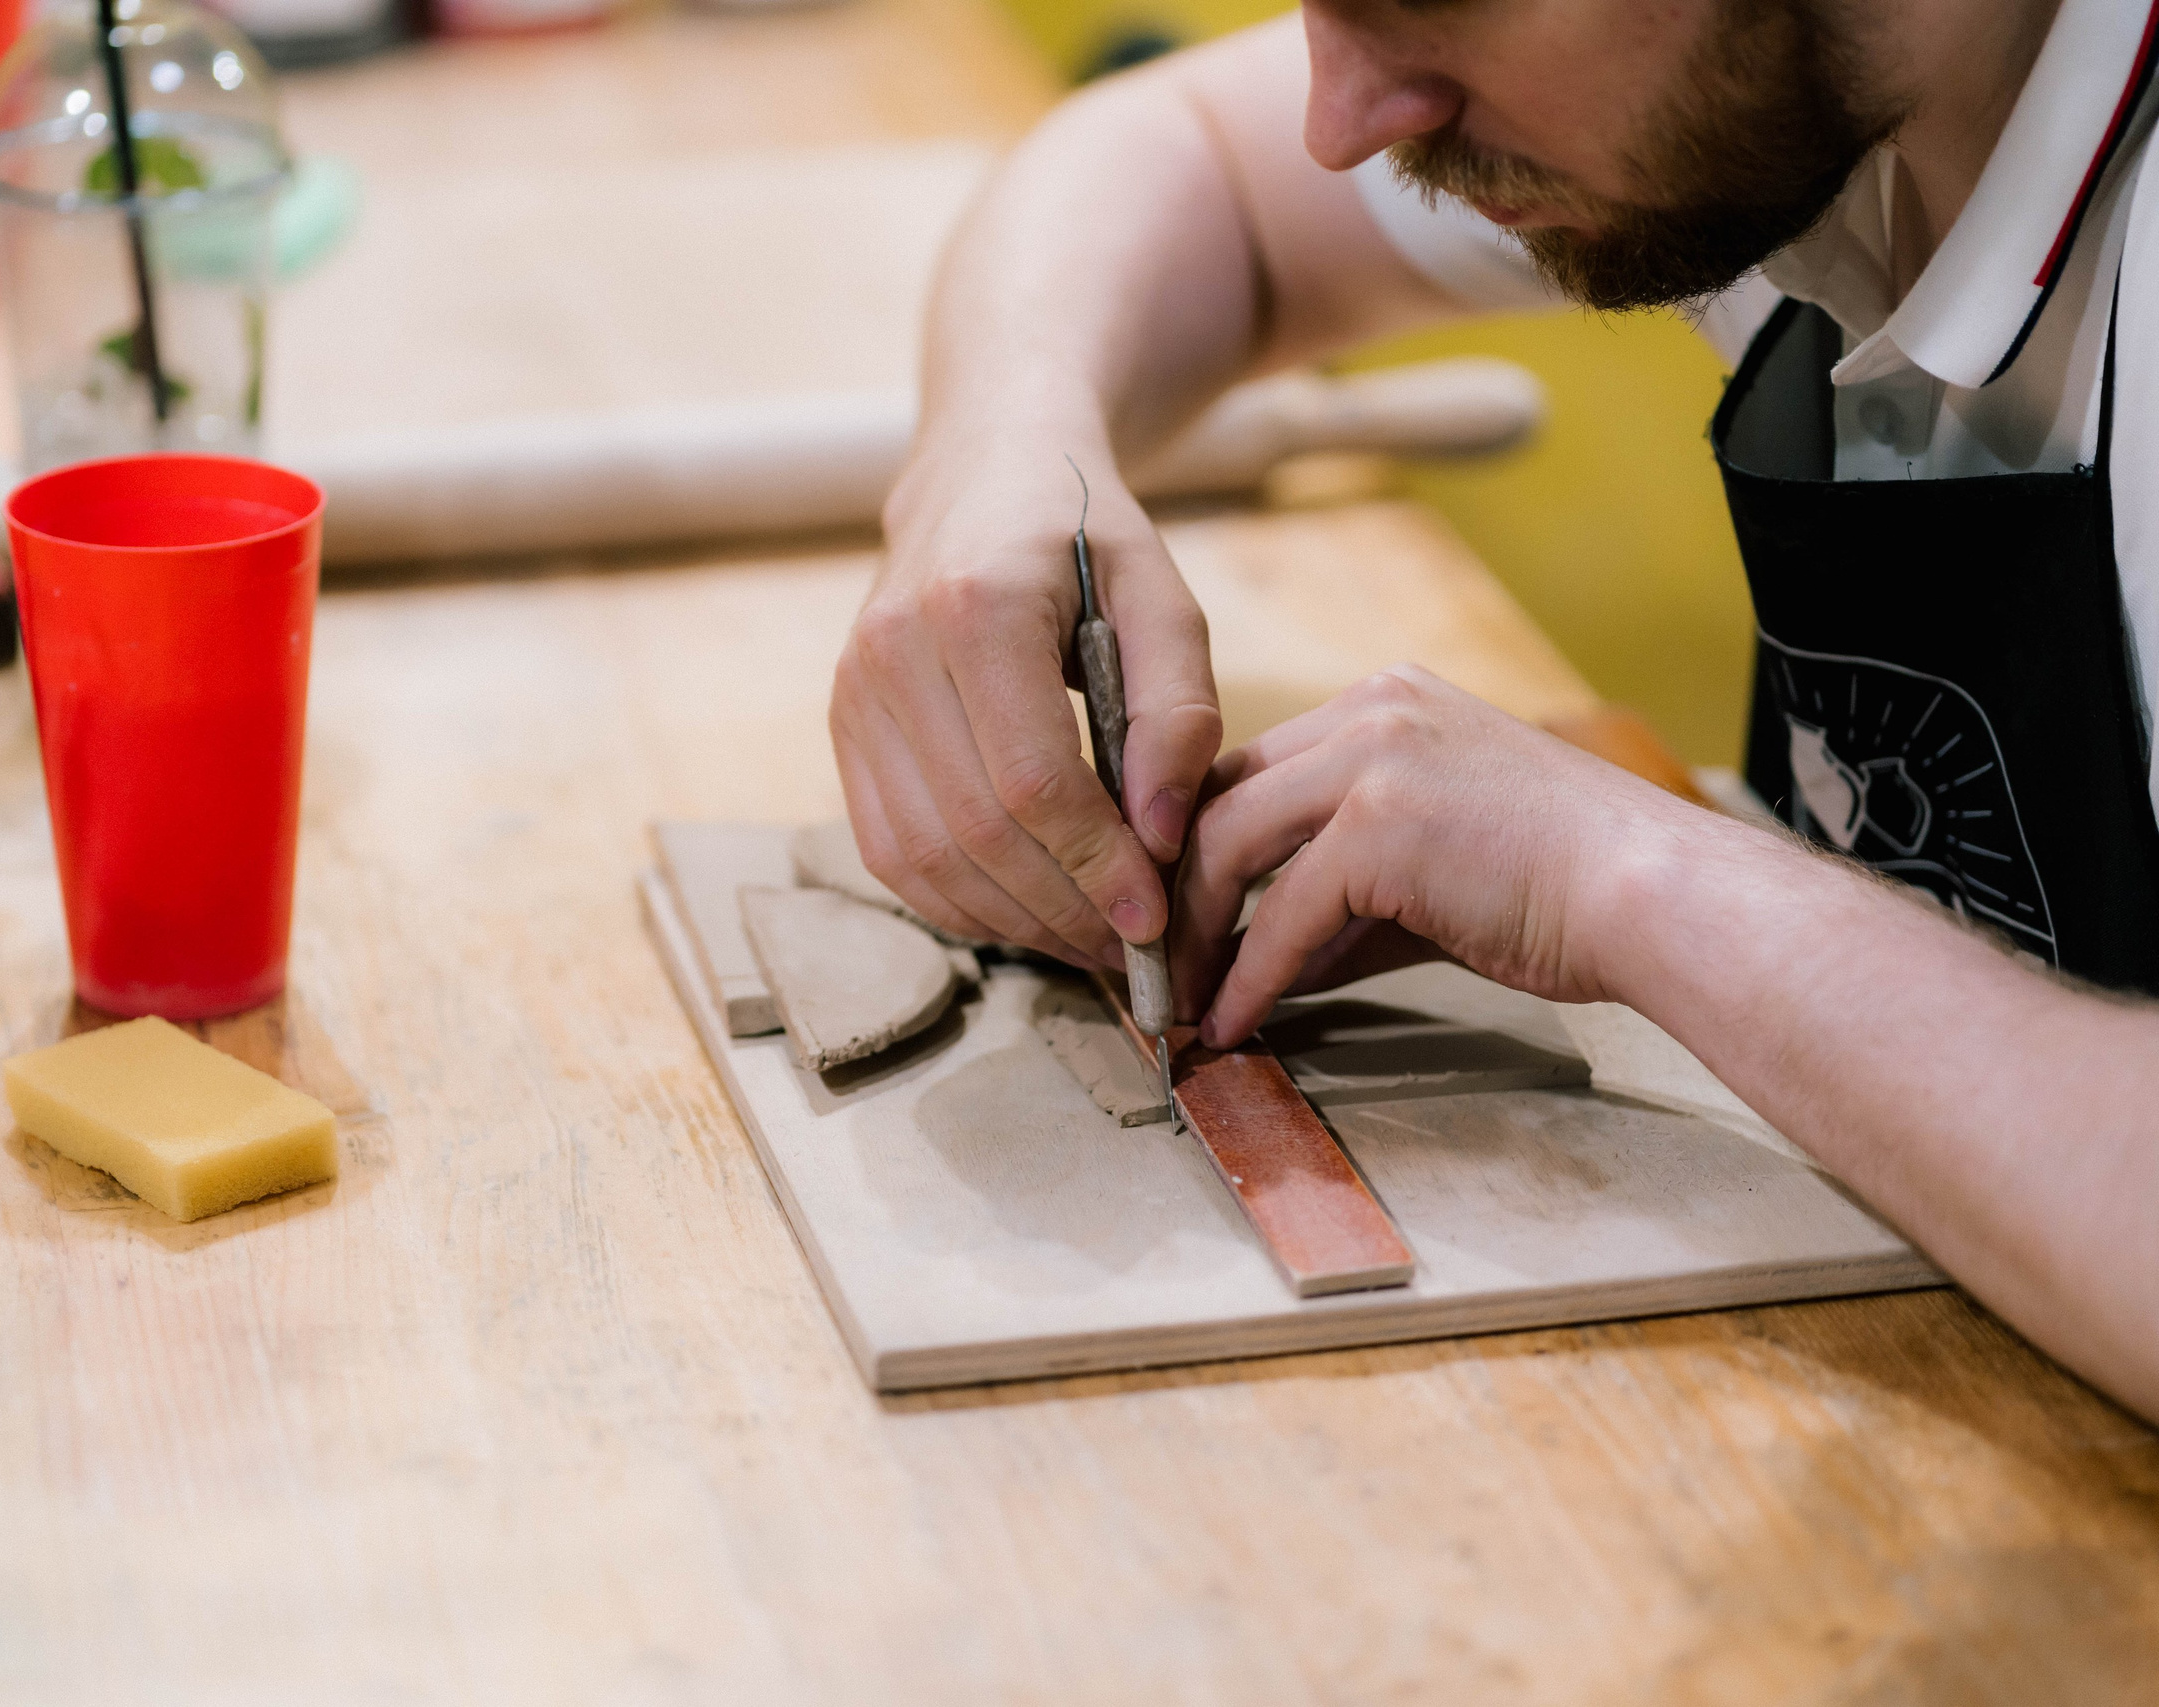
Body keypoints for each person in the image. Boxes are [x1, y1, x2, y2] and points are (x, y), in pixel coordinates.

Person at [830, 0, 2159, 1419]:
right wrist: (1002, 453)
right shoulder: (1817, 92)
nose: (1339, 122)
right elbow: (1184, 155)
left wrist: (1630, 877)